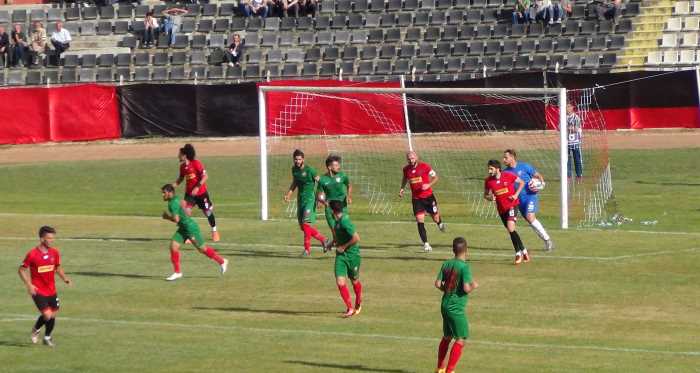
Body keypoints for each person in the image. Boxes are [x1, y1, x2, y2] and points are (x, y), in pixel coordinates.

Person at [18, 226, 72, 348]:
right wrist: (29, 284)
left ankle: (47, 337)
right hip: (37, 290)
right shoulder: (32, 254)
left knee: (52, 315)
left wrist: (65, 278)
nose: (52, 240)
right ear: (42, 239)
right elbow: (21, 270)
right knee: (47, 315)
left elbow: (57, 267)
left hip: (51, 290)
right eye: (49, 238)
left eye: (53, 238)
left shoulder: (54, 253)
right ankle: (36, 329)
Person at [161, 184, 228, 281]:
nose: (163, 195)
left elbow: (176, 219)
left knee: (202, 249)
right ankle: (177, 272)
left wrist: (166, 217)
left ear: (170, 193)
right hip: (183, 228)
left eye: (164, 192)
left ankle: (222, 261)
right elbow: (183, 207)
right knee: (173, 246)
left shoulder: (172, 203)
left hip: (190, 228)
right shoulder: (175, 200)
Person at [434, 237, 478, 373]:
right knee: (461, 339)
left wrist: (447, 290)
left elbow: (437, 283)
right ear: (466, 250)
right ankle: (450, 370)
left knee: (447, 336)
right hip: (456, 307)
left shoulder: (446, 263)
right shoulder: (464, 267)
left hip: (444, 304)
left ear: (453, 250)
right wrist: (474, 286)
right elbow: (465, 288)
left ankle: (440, 367)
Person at [502, 149, 554, 252]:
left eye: (506, 157)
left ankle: (548, 240)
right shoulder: (505, 172)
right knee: (531, 222)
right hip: (518, 201)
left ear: (512, 157)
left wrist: (541, 184)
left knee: (530, 217)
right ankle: (546, 239)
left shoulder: (524, 166)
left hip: (530, 196)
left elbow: (538, 175)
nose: (503, 160)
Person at [284, 149, 332, 256]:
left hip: (310, 200)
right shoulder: (294, 170)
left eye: (299, 159)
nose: (297, 161)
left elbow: (320, 181)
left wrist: (321, 197)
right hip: (300, 200)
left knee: (306, 224)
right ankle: (324, 240)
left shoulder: (310, 170)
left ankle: (307, 250)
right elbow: (295, 182)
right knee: (304, 227)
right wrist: (289, 194)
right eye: (295, 159)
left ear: (303, 159)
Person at [483, 159, 529, 265]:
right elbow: (485, 195)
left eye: (491, 169)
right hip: (501, 209)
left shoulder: (508, 175)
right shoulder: (488, 181)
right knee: (511, 230)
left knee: (510, 227)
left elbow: (522, 182)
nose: (489, 171)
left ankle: (518, 253)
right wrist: (490, 198)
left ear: (498, 169)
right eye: (488, 169)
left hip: (512, 205)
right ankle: (524, 250)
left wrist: (516, 195)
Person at [399, 151, 445, 252]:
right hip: (416, 199)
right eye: (409, 159)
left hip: (428, 197)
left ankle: (440, 223)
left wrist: (429, 185)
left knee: (436, 217)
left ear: (416, 157)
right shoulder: (406, 169)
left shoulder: (425, 166)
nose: (411, 160)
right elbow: (405, 178)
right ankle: (426, 244)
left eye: (412, 158)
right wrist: (402, 188)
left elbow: (436, 177)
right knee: (420, 220)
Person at [172, 144, 220, 242]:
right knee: (185, 212)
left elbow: (205, 176)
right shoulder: (182, 167)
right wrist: (172, 186)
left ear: (185, 155)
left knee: (207, 212)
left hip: (201, 193)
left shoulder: (196, 163)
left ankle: (214, 231)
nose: (178, 156)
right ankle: (189, 235)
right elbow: (181, 178)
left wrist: (197, 187)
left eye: (180, 154)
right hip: (189, 195)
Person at [329, 200, 363, 318]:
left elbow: (356, 238)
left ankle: (358, 301)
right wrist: (331, 243)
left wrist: (343, 247)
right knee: (340, 282)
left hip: (353, 255)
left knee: (354, 281)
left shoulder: (345, 221)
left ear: (333, 211)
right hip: (341, 257)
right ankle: (350, 308)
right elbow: (338, 236)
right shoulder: (336, 222)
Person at [317, 154, 352, 242]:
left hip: (342, 206)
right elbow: (320, 193)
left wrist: (348, 196)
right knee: (334, 231)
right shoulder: (322, 179)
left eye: (338, 165)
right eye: (336, 165)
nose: (338, 167)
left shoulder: (342, 176)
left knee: (345, 228)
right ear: (329, 167)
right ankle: (339, 247)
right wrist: (321, 201)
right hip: (329, 208)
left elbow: (349, 185)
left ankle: (346, 246)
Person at [567, 103, 583, 182]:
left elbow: (577, 129)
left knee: (577, 159)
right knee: (567, 159)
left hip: (575, 141)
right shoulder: (563, 117)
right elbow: (559, 128)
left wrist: (571, 128)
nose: (567, 108)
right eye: (566, 107)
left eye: (569, 106)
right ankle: (568, 176)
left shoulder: (576, 117)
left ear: (572, 107)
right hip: (566, 142)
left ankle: (579, 175)